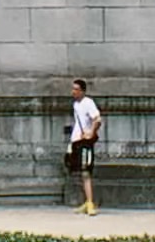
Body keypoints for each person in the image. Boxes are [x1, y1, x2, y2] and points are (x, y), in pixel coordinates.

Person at [67, 77, 102, 215]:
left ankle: (90, 202)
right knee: (81, 171)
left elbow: (97, 119)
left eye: (76, 89)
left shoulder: (88, 103)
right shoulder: (76, 105)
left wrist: (90, 132)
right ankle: (86, 201)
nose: (73, 92)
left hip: (85, 142)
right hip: (76, 140)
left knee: (86, 171)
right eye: (73, 89)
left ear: (82, 91)